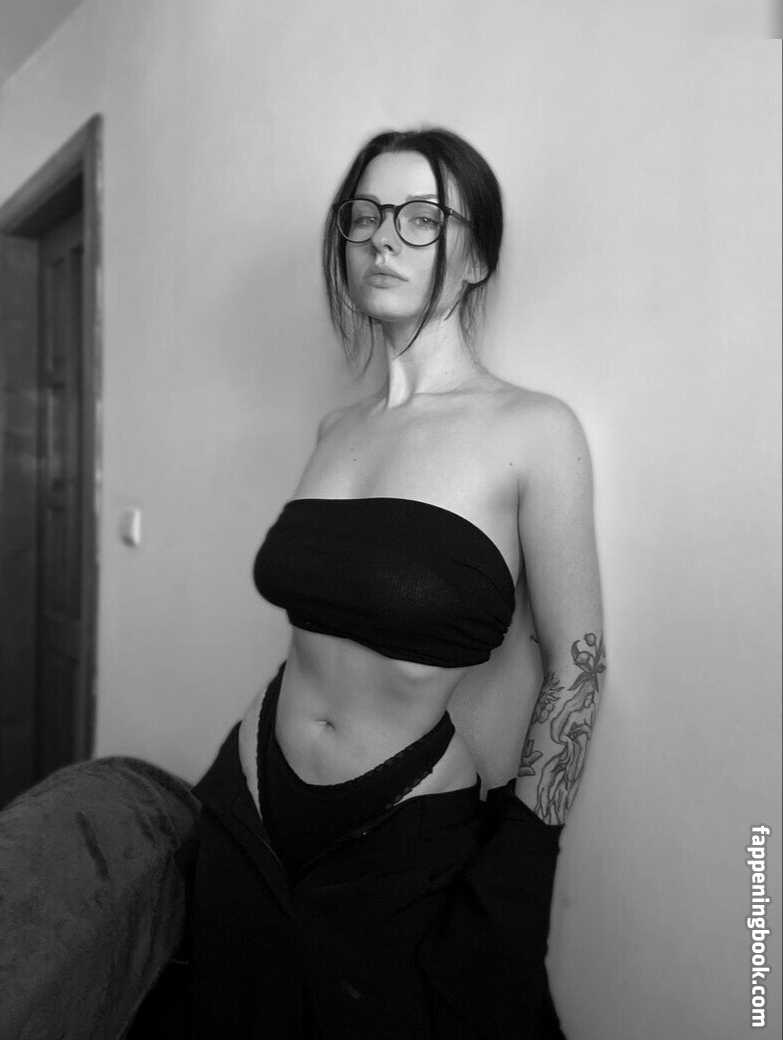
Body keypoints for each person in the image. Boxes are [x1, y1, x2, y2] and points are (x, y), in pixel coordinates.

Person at [186, 127, 605, 1040]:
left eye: (423, 218)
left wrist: (520, 871)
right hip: (246, 801)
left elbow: (578, 666)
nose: (384, 238)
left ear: (476, 258)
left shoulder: (534, 431)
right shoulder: (336, 431)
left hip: (396, 834)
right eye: (366, 214)